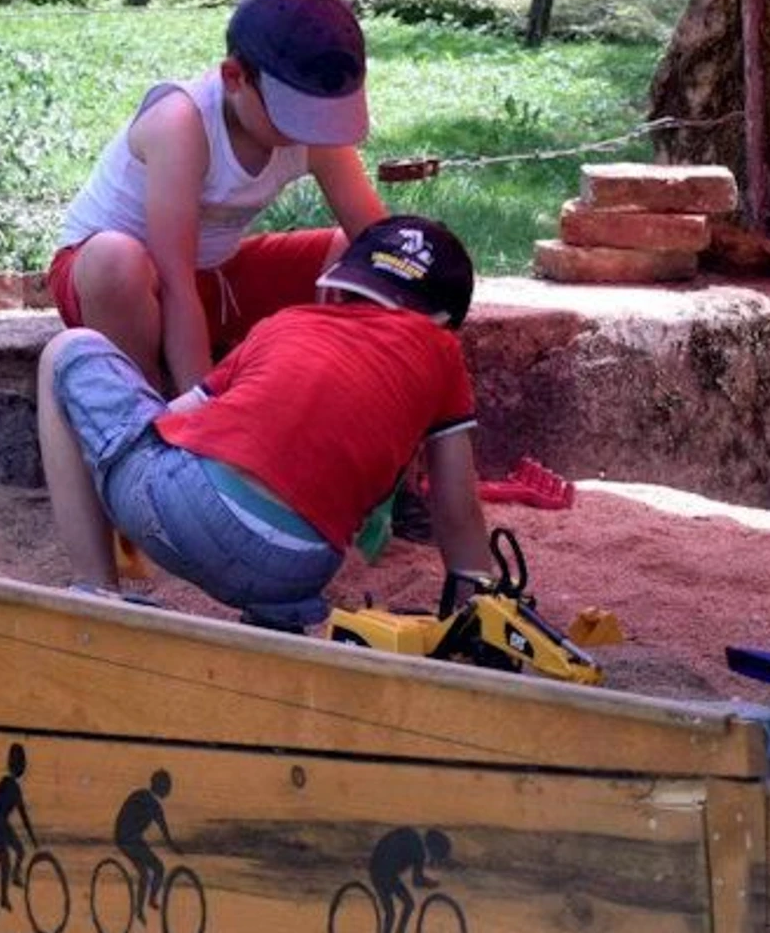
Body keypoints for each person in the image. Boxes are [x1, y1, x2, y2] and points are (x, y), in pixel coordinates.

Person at [37, 214, 496, 629]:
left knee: (65, 351)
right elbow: (456, 507)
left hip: (186, 515)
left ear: (337, 288)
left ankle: (96, 590)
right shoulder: (443, 355)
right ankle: (278, 622)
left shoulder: (285, 322)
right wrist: (478, 609)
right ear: (444, 322)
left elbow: (176, 415)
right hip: (298, 571)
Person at [46, 0, 386, 395]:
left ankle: (344, 389)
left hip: (214, 278)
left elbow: (381, 244)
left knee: (362, 259)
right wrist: (201, 411)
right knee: (116, 259)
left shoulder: (312, 134)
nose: (309, 132)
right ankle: (142, 404)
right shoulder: (182, 124)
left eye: (322, 116)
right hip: (118, 291)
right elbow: (176, 284)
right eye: (294, 116)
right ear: (234, 77)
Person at [367, 826, 452, 933]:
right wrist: (432, 884)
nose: (436, 861)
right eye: (438, 857)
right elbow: (417, 881)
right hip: (381, 872)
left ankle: (400, 931)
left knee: (409, 904)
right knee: (391, 913)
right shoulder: (419, 851)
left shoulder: (416, 841)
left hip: (388, 871)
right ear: (434, 849)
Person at [114, 769, 179, 923]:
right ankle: (149, 901)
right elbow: (162, 829)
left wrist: (173, 846)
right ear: (159, 786)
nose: (169, 790)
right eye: (167, 786)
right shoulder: (145, 799)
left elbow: (163, 829)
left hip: (130, 839)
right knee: (156, 869)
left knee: (146, 872)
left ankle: (142, 908)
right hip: (128, 839)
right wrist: (172, 846)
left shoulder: (150, 802)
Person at [0, 741, 37, 915]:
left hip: (1, 824)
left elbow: (23, 815)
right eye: (21, 763)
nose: (23, 767)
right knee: (5, 861)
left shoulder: (15, 788)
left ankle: (15, 876)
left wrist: (32, 838)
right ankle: (4, 898)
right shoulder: (5, 784)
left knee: (20, 851)